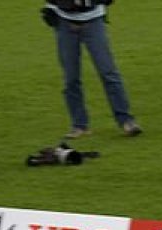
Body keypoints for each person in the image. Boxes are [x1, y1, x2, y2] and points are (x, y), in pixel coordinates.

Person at [42, 0, 141, 139]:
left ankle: (126, 120)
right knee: (71, 78)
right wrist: (51, 6)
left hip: (94, 20)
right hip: (64, 22)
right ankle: (79, 125)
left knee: (108, 72)